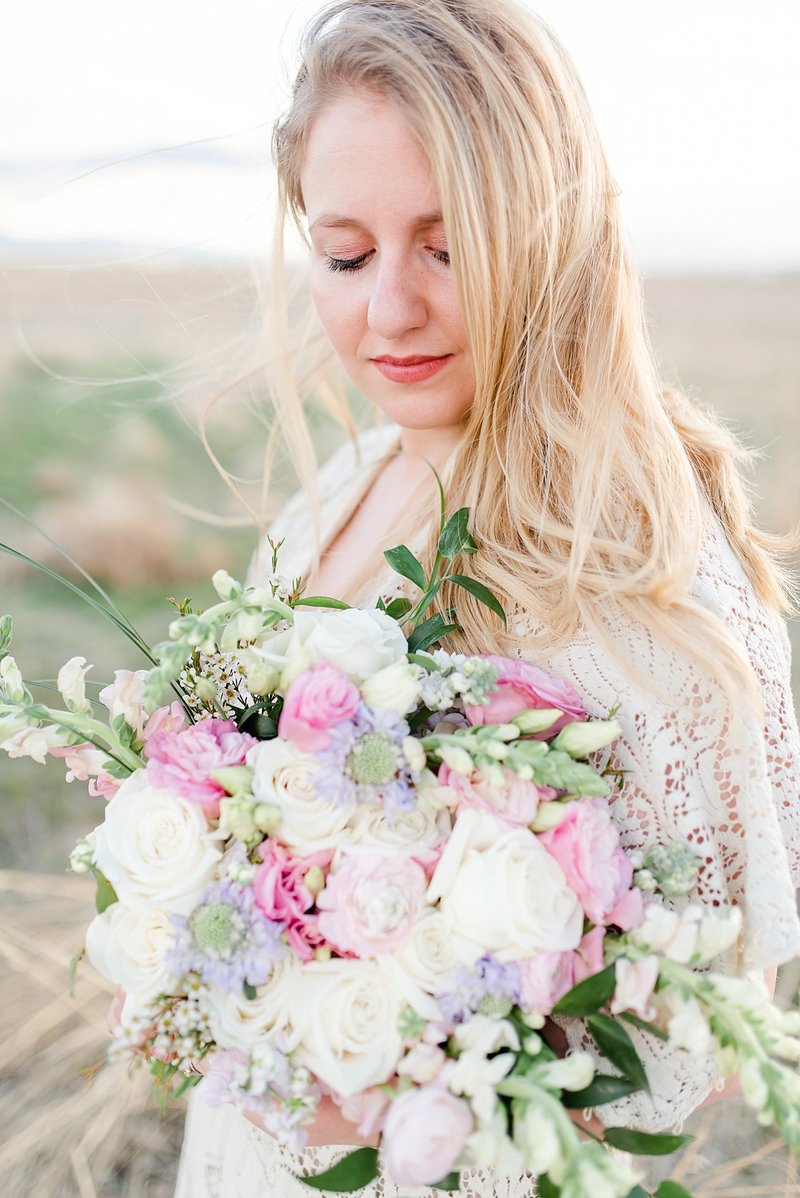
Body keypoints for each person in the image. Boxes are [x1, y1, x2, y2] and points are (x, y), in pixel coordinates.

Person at [174, 1, 800, 1194]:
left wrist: (408, 1091)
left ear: (549, 239)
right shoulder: (338, 497)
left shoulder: (650, 594)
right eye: (346, 253)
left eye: (447, 245)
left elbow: (695, 1042)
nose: (387, 310)